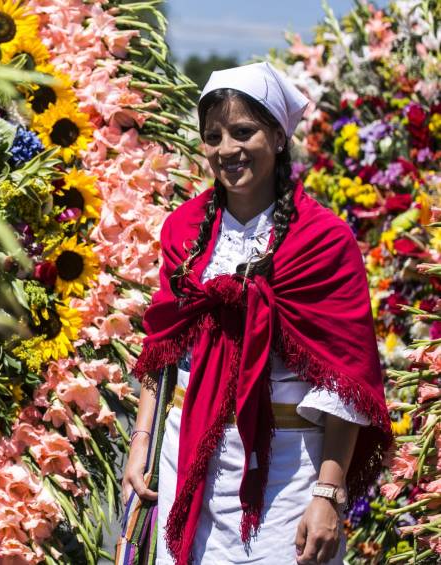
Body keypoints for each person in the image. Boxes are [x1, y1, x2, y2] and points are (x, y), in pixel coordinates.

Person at [115, 62, 391, 565]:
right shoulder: (183, 230)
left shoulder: (324, 240)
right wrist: (141, 444)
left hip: (288, 471)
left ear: (279, 137)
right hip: (188, 455)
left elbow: (347, 379)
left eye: (243, 132)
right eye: (213, 136)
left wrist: (328, 494)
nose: (226, 150)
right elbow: (164, 344)